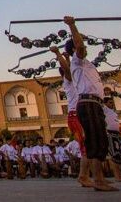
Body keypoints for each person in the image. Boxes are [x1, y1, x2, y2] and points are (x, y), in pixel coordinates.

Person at [63, 15, 117, 191]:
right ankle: (98, 180)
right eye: (82, 46)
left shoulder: (86, 64)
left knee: (100, 141)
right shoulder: (77, 62)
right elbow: (78, 46)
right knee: (93, 141)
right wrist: (72, 26)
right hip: (87, 103)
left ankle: (96, 177)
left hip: (94, 104)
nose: (84, 47)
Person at [49, 45, 91, 186]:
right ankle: (83, 176)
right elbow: (67, 69)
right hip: (75, 116)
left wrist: (66, 56)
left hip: (78, 115)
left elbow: (69, 67)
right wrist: (58, 54)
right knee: (86, 147)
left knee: (87, 146)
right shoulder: (68, 79)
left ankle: (86, 176)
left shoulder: (74, 81)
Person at [102, 96, 121, 182]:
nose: (112, 104)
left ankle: (119, 175)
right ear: (105, 103)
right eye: (110, 102)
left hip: (116, 134)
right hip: (110, 133)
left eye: (112, 102)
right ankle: (117, 176)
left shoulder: (113, 112)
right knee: (114, 155)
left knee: (117, 154)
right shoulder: (104, 109)